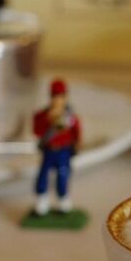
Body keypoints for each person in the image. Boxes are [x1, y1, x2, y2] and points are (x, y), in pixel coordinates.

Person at [32, 79, 80, 215]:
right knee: (43, 175)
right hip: (49, 150)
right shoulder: (42, 115)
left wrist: (77, 145)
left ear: (65, 97)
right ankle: (42, 200)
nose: (58, 100)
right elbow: (37, 131)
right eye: (55, 97)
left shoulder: (70, 117)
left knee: (63, 175)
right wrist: (47, 120)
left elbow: (76, 132)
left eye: (61, 97)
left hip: (63, 151)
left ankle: (63, 200)